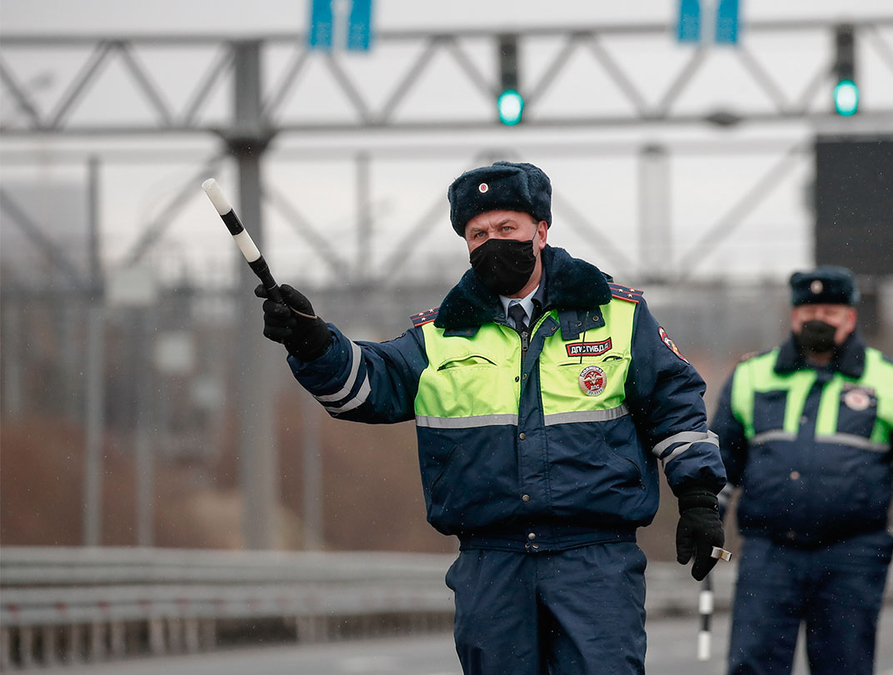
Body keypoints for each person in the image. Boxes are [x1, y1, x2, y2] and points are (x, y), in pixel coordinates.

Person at [255, 161, 727, 674]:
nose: (492, 242)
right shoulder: (439, 337)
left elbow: (676, 406)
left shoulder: (619, 317)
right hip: (491, 564)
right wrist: (312, 342)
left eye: (507, 229)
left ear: (540, 231)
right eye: (477, 234)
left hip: (595, 560)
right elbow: (364, 387)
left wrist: (699, 497)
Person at [711, 265, 893, 675]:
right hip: (770, 551)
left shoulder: (891, 381)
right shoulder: (751, 376)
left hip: (853, 554)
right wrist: (705, 517)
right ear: (793, 316)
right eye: (808, 311)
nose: (817, 320)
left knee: (845, 667)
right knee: (753, 665)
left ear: (851, 317)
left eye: (830, 311)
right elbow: (722, 463)